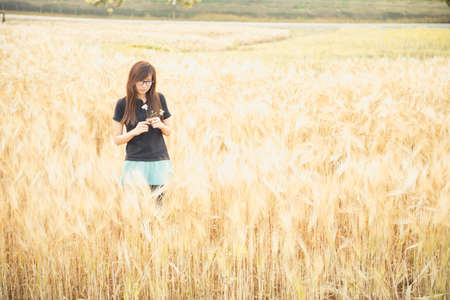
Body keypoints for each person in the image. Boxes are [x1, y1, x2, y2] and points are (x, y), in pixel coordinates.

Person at [112, 61, 173, 205]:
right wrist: (134, 132)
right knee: (134, 206)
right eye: (141, 81)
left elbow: (169, 131)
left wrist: (161, 126)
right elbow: (117, 139)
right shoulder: (123, 104)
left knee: (159, 206)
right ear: (133, 80)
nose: (145, 85)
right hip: (135, 161)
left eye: (149, 82)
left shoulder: (159, 99)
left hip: (158, 160)